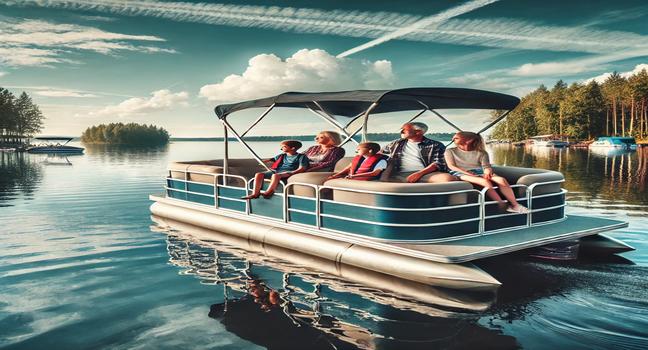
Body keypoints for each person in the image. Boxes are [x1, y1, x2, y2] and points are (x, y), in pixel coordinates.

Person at [445, 131, 529, 213]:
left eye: (456, 137)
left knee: (501, 180)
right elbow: (451, 166)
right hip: (460, 172)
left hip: (479, 171)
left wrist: (487, 171)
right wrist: (469, 173)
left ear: (469, 140)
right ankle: (501, 204)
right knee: (484, 181)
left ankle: (515, 205)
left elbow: (486, 166)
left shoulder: (482, 153)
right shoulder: (450, 151)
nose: (453, 138)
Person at [381, 122, 455, 183]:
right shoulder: (396, 143)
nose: (401, 131)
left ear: (418, 132)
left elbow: (438, 163)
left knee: (448, 178)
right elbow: (380, 152)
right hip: (399, 173)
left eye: (404, 129)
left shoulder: (435, 145)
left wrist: (419, 174)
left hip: (426, 174)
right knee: (383, 179)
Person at [242, 140, 309, 199]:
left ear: (293, 148)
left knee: (275, 176)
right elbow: (273, 159)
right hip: (277, 170)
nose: (281, 148)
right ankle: (255, 194)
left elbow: (302, 168)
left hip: (289, 171)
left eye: (284, 147)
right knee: (259, 174)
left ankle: (269, 192)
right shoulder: (282, 155)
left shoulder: (301, 156)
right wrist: (266, 161)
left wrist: (293, 172)